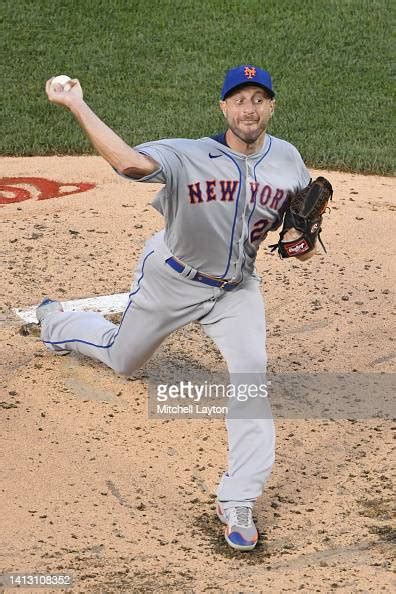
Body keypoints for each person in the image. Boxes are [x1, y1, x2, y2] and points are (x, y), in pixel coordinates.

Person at [39, 64, 313, 551]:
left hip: (236, 290)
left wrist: (300, 240)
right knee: (124, 359)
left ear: (271, 105)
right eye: (239, 99)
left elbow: (297, 234)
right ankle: (57, 322)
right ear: (223, 107)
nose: (248, 108)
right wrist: (77, 104)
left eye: (258, 99)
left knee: (251, 375)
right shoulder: (188, 155)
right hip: (172, 278)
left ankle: (238, 498)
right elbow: (127, 164)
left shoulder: (289, 160)